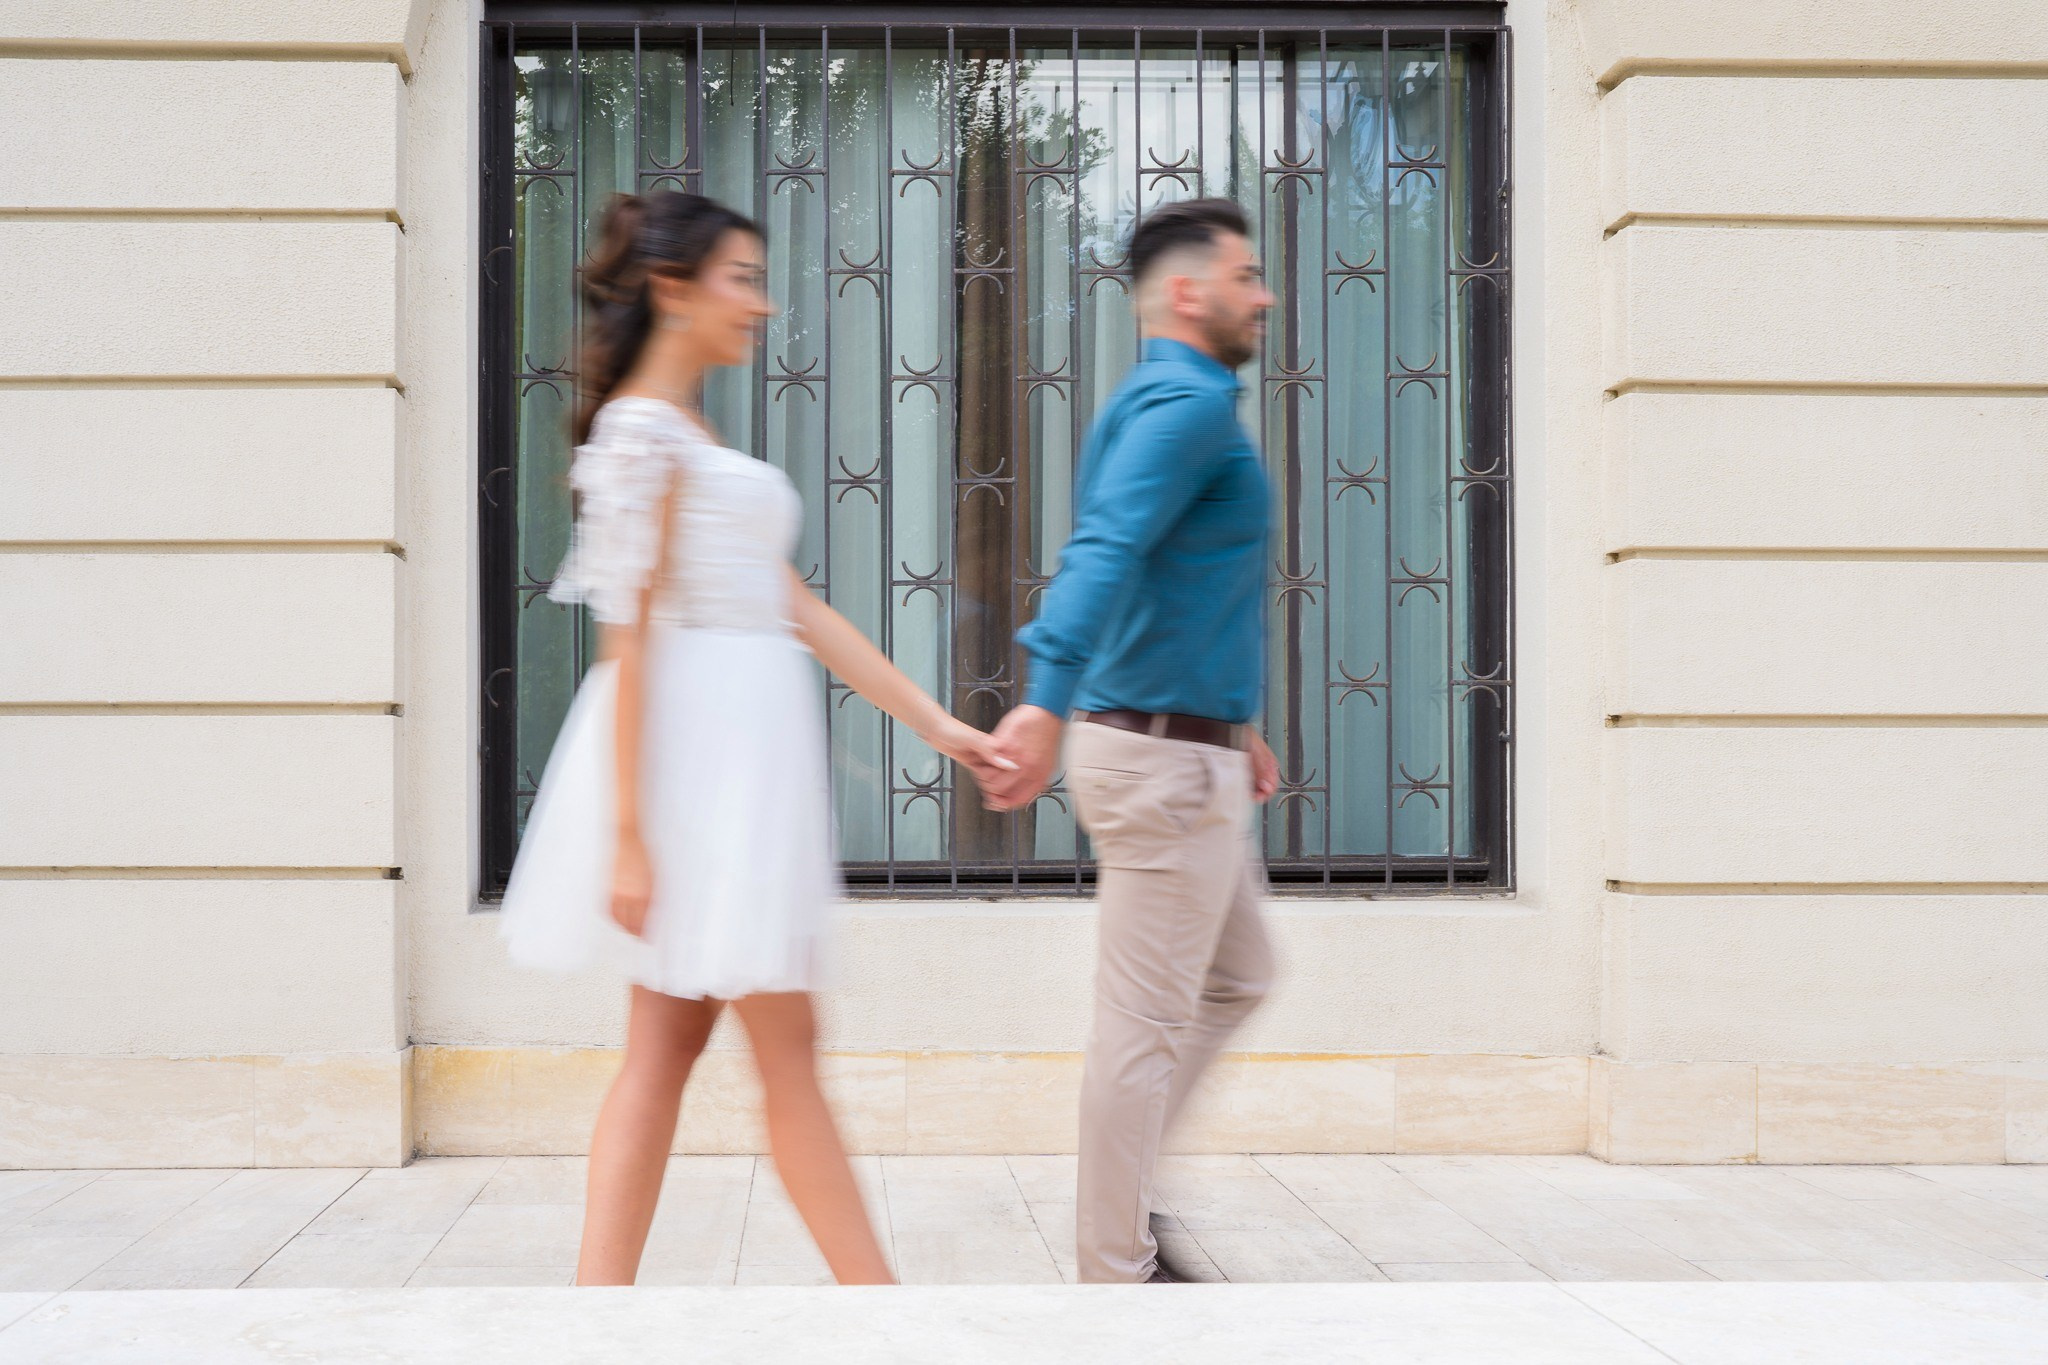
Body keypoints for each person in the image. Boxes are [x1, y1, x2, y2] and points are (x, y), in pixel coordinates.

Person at [500, 190, 1011, 1287]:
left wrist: (940, 727)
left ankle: (593, 1317)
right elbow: (625, 644)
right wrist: (632, 838)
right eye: (741, 277)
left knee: (668, 1053)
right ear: (672, 289)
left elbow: (798, 607)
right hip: (697, 772)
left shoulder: (686, 429)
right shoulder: (640, 434)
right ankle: (881, 1316)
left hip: (735, 761)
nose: (763, 304)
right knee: (775, 1057)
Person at [984, 199, 1280, 1285]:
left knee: (1238, 974)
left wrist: (1232, 718)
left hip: (1185, 743)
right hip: (1156, 761)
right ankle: (1118, 1274)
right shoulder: (1186, 409)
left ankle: (1129, 1185)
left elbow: (1167, 576)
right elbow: (1103, 552)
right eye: (1248, 276)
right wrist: (1043, 697)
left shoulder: (1153, 401)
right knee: (1143, 1026)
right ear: (1190, 292)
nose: (1265, 296)